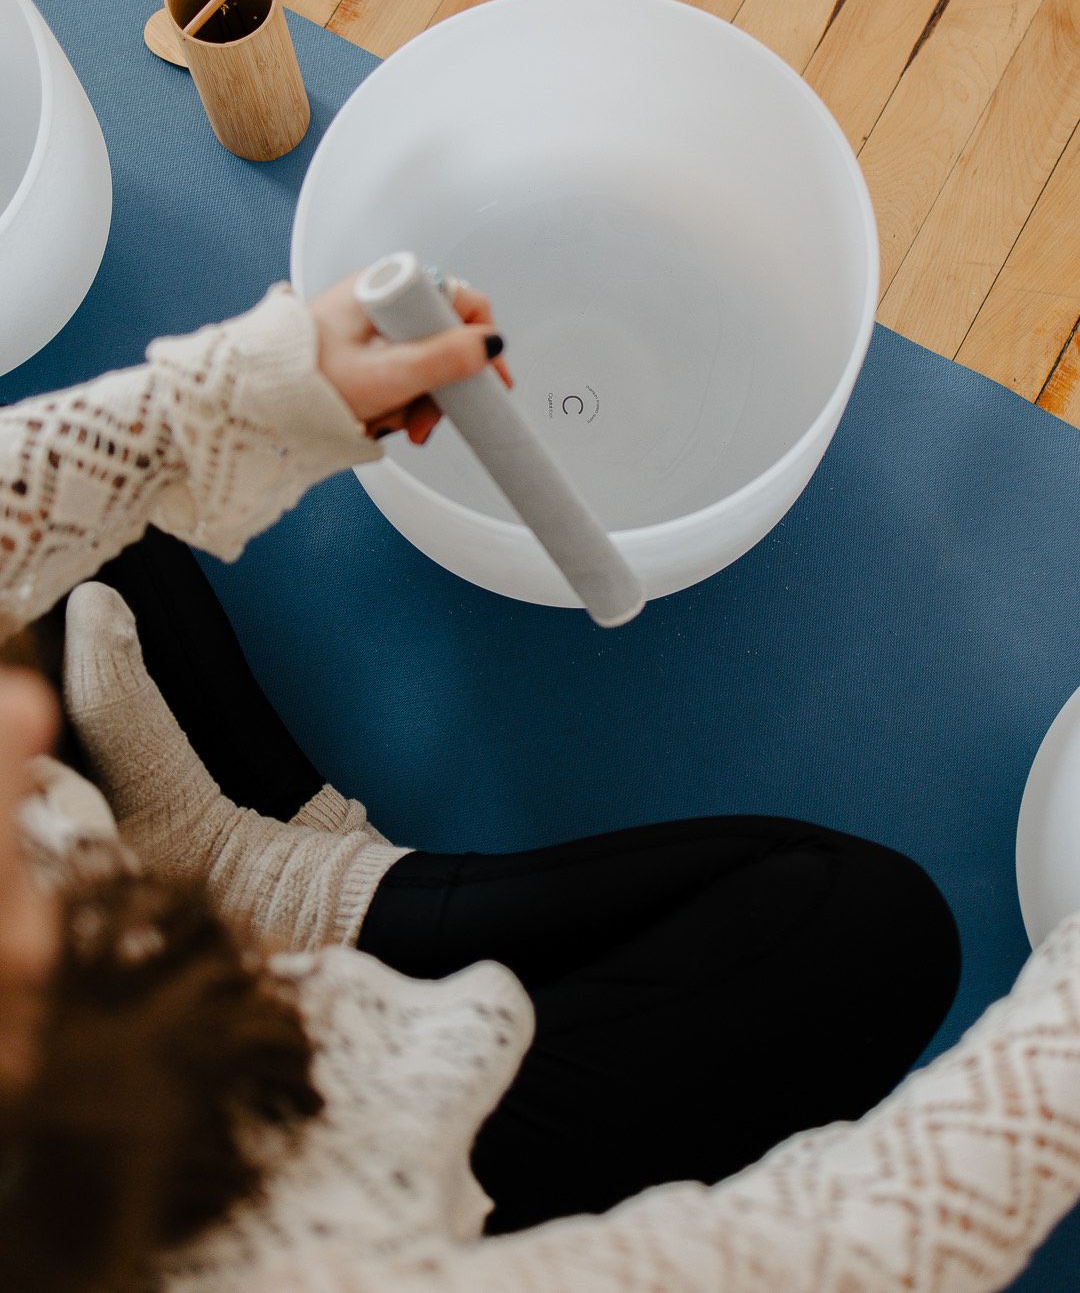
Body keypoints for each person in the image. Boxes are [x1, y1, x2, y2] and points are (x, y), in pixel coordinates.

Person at [0, 270, 1072, 1292]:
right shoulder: (293, 1247)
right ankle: (264, 876)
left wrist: (246, 394)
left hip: (129, 998)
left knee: (91, 542)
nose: (25, 713)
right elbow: (849, 1240)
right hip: (294, 1153)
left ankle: (226, 865)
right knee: (866, 932)